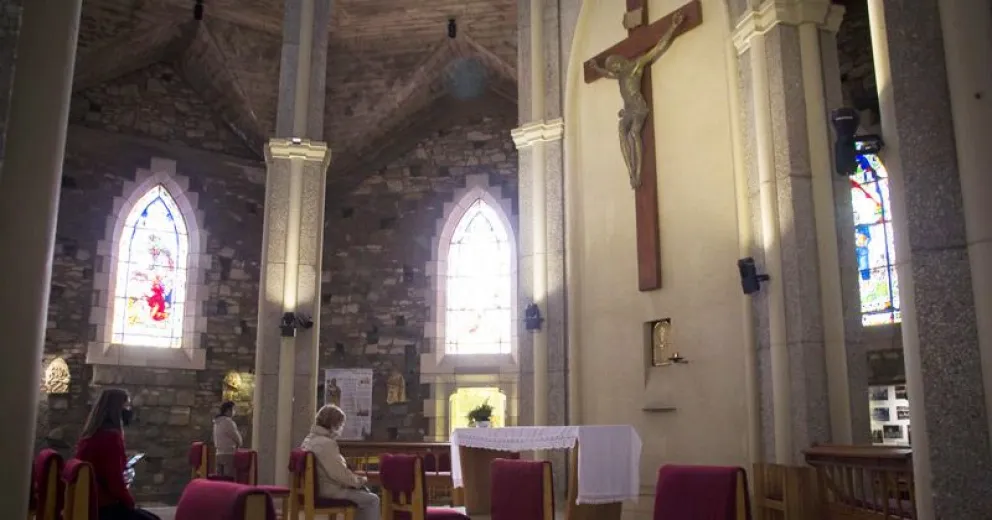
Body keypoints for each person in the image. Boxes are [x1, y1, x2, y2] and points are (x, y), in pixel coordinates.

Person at [75, 388, 160, 520]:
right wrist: (130, 502)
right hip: (103, 506)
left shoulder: (91, 434)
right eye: (126, 406)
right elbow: (115, 483)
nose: (129, 410)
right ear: (116, 409)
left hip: (88, 501)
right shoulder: (111, 437)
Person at [300, 404, 379, 520]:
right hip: (329, 491)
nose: (341, 429)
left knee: (363, 495)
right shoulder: (326, 444)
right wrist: (359, 481)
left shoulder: (308, 439)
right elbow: (339, 474)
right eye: (341, 425)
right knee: (372, 500)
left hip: (316, 489)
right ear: (334, 425)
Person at [212, 401, 242, 477]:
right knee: (229, 478)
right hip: (229, 454)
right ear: (228, 410)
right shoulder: (228, 422)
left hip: (219, 453)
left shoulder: (217, 422)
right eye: (233, 409)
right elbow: (236, 437)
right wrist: (240, 443)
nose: (234, 412)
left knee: (220, 479)